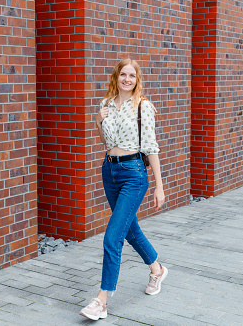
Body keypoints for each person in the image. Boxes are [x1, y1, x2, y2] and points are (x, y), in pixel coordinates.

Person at [80, 59, 167, 321]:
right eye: (123, 74)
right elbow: (106, 142)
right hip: (109, 170)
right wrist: (97, 121)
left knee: (112, 237)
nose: (127, 79)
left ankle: (101, 300)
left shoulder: (144, 107)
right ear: (116, 77)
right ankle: (157, 269)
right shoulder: (105, 105)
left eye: (132, 75)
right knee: (130, 230)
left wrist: (159, 187)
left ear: (137, 79)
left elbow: (151, 148)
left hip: (134, 174)